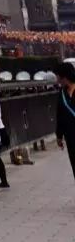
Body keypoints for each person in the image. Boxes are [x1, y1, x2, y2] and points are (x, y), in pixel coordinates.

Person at [56, 59, 75, 189]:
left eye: (58, 76)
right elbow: (60, 115)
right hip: (71, 136)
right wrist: (59, 135)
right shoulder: (62, 93)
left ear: (64, 77)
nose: (57, 79)